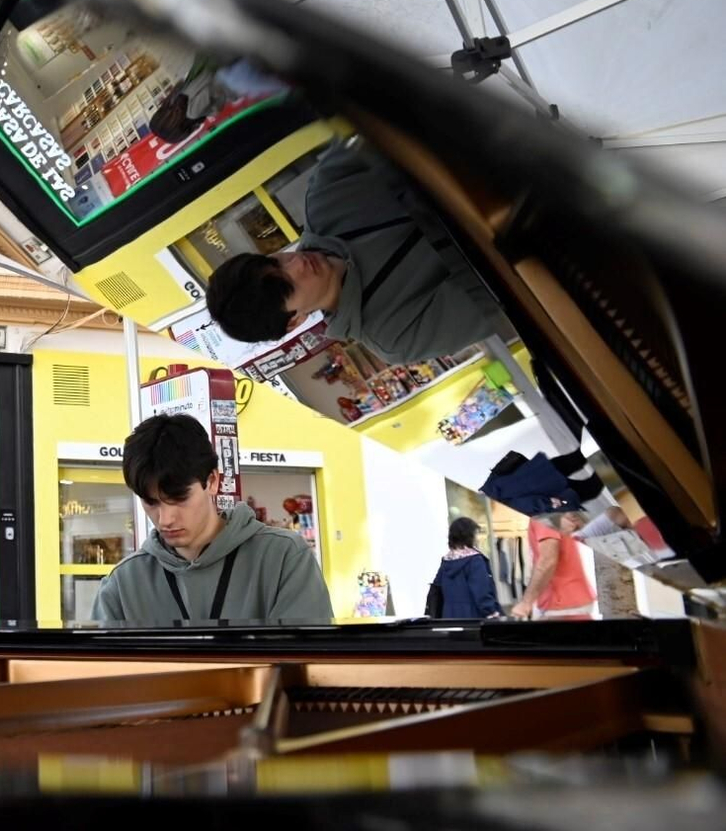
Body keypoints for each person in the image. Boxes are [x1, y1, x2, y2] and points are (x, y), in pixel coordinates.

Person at [205, 139, 502, 363]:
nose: (297, 263)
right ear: (294, 320)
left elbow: (389, 129)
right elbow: (502, 293)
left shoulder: (325, 197)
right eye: (286, 285)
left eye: (275, 261)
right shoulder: (394, 335)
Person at [92, 414, 333, 624]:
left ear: (213, 481)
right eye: (151, 502)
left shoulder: (283, 557)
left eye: (179, 498)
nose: (165, 519)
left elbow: (308, 667)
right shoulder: (122, 585)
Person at [510, 510, 596, 620]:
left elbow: (547, 560)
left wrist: (526, 603)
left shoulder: (541, 515)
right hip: (571, 597)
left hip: (561, 601)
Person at [430, 518, 502, 619]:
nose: (477, 538)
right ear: (469, 536)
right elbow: (482, 592)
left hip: (449, 617)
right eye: (475, 534)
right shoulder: (475, 560)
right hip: (472, 618)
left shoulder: (446, 561)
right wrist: (493, 613)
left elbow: (437, 589)